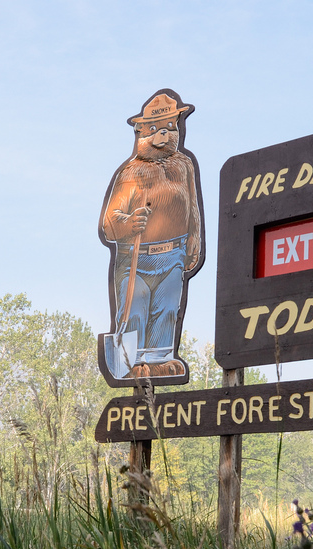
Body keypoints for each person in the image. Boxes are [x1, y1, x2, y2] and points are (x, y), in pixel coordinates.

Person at [100, 91, 202, 380]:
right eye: (155, 130)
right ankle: (130, 362)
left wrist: (194, 241)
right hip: (137, 259)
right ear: (141, 133)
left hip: (173, 255)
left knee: (167, 308)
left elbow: (192, 205)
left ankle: (160, 359)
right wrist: (130, 222)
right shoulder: (131, 172)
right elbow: (110, 223)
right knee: (135, 309)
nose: (163, 136)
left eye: (170, 128)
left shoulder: (184, 166)